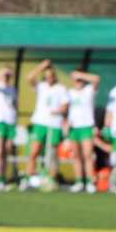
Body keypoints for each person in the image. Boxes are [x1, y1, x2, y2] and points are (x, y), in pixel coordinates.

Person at [22, 59, 68, 191]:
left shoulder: (61, 89)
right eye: (46, 76)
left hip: (54, 124)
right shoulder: (41, 86)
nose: (49, 78)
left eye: (51, 76)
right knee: (33, 152)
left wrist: (57, 111)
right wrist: (42, 66)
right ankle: (29, 178)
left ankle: (51, 180)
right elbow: (29, 77)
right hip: (40, 123)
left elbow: (65, 108)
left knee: (51, 154)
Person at [66, 70, 100, 193]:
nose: (78, 81)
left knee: (88, 155)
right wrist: (66, 123)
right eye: (76, 79)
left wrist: (80, 75)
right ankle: (79, 181)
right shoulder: (70, 92)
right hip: (74, 128)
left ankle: (91, 181)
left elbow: (96, 78)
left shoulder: (89, 90)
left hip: (86, 127)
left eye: (80, 80)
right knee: (76, 155)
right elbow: (66, 109)